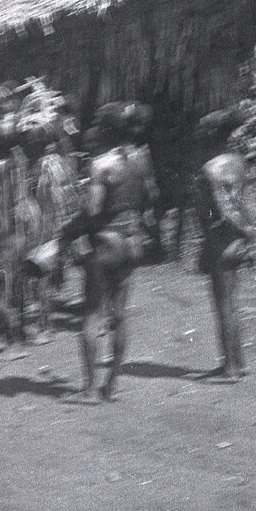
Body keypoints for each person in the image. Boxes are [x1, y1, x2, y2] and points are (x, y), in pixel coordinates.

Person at [65, 102, 159, 402]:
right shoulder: (143, 159)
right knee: (120, 315)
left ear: (106, 130)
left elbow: (93, 211)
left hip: (105, 244)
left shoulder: (101, 164)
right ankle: (111, 385)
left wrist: (71, 228)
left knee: (92, 315)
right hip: (132, 242)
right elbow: (152, 197)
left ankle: (91, 390)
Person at [192, 108, 256, 381]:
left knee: (223, 306)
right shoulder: (238, 162)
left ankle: (229, 368)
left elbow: (224, 209)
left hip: (221, 239)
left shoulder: (210, 169)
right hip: (237, 240)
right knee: (232, 302)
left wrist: (243, 233)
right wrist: (250, 236)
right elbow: (243, 203)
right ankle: (238, 362)